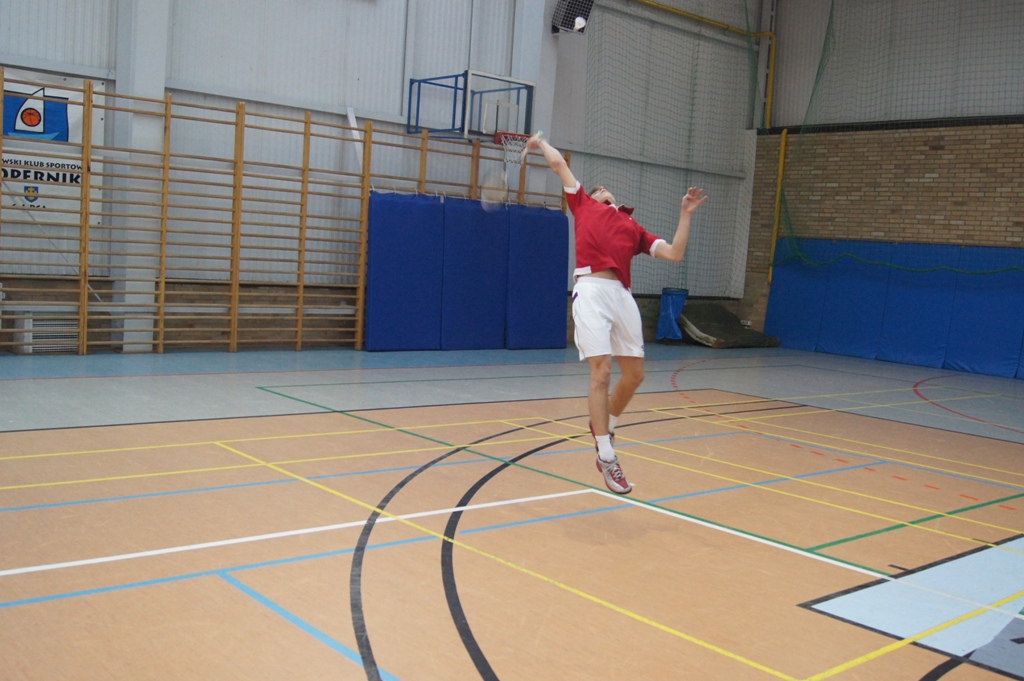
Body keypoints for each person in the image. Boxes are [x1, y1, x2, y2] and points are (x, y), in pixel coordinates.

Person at [525, 132, 708, 495]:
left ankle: (605, 427)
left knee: (635, 376)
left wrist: (685, 215)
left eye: (607, 190)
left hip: (622, 296)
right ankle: (606, 455)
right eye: (598, 190)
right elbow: (559, 164)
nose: (603, 191)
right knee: (603, 371)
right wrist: (540, 142)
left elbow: (674, 253)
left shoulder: (632, 228)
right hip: (592, 290)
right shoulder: (582, 205)